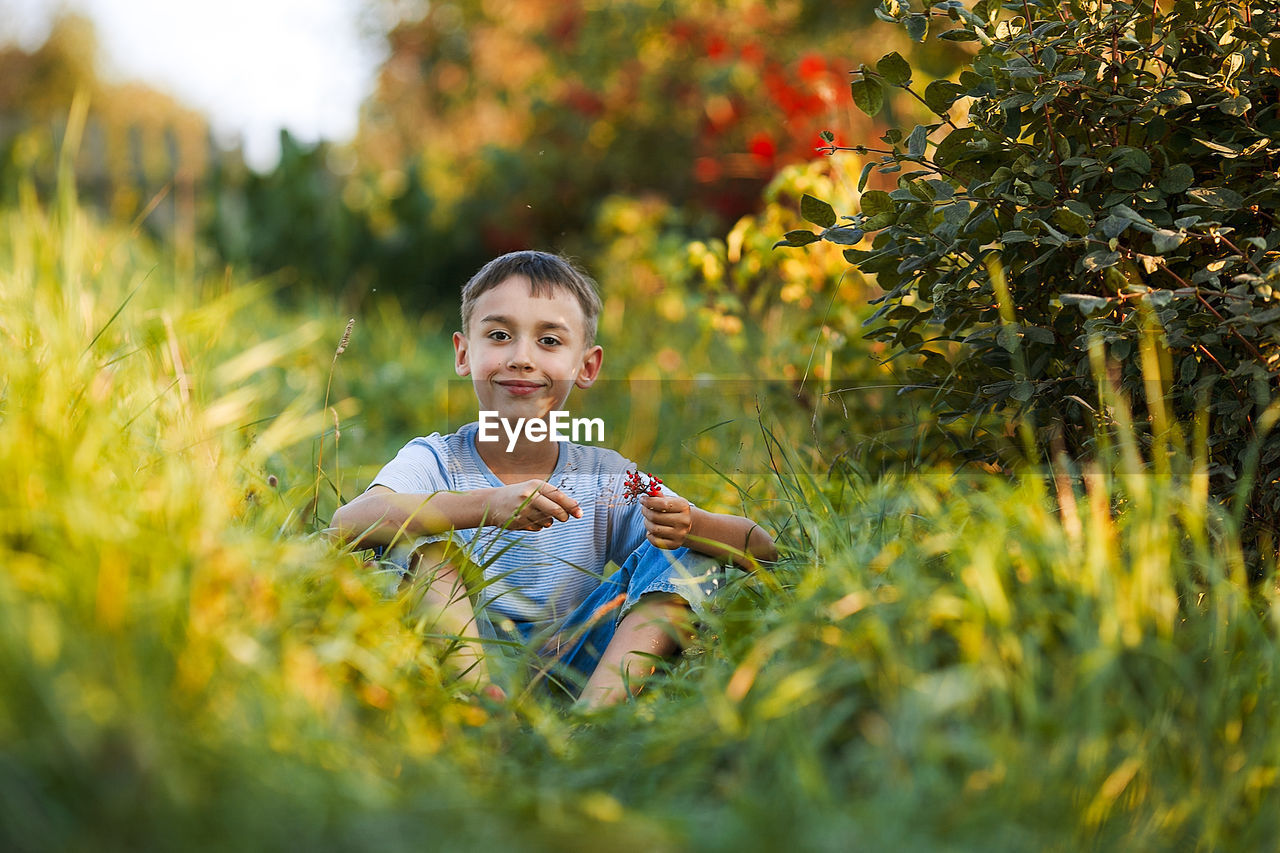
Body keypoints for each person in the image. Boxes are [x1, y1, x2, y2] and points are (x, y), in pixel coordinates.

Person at [330, 251, 777, 710]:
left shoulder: (606, 476)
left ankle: (593, 722)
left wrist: (692, 526)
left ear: (586, 366)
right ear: (465, 353)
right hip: (467, 651)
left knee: (692, 556)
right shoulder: (435, 460)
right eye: (500, 335)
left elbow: (760, 547)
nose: (522, 358)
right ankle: (482, 707)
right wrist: (486, 506)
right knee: (410, 535)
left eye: (549, 341)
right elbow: (348, 523)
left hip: (578, 664)